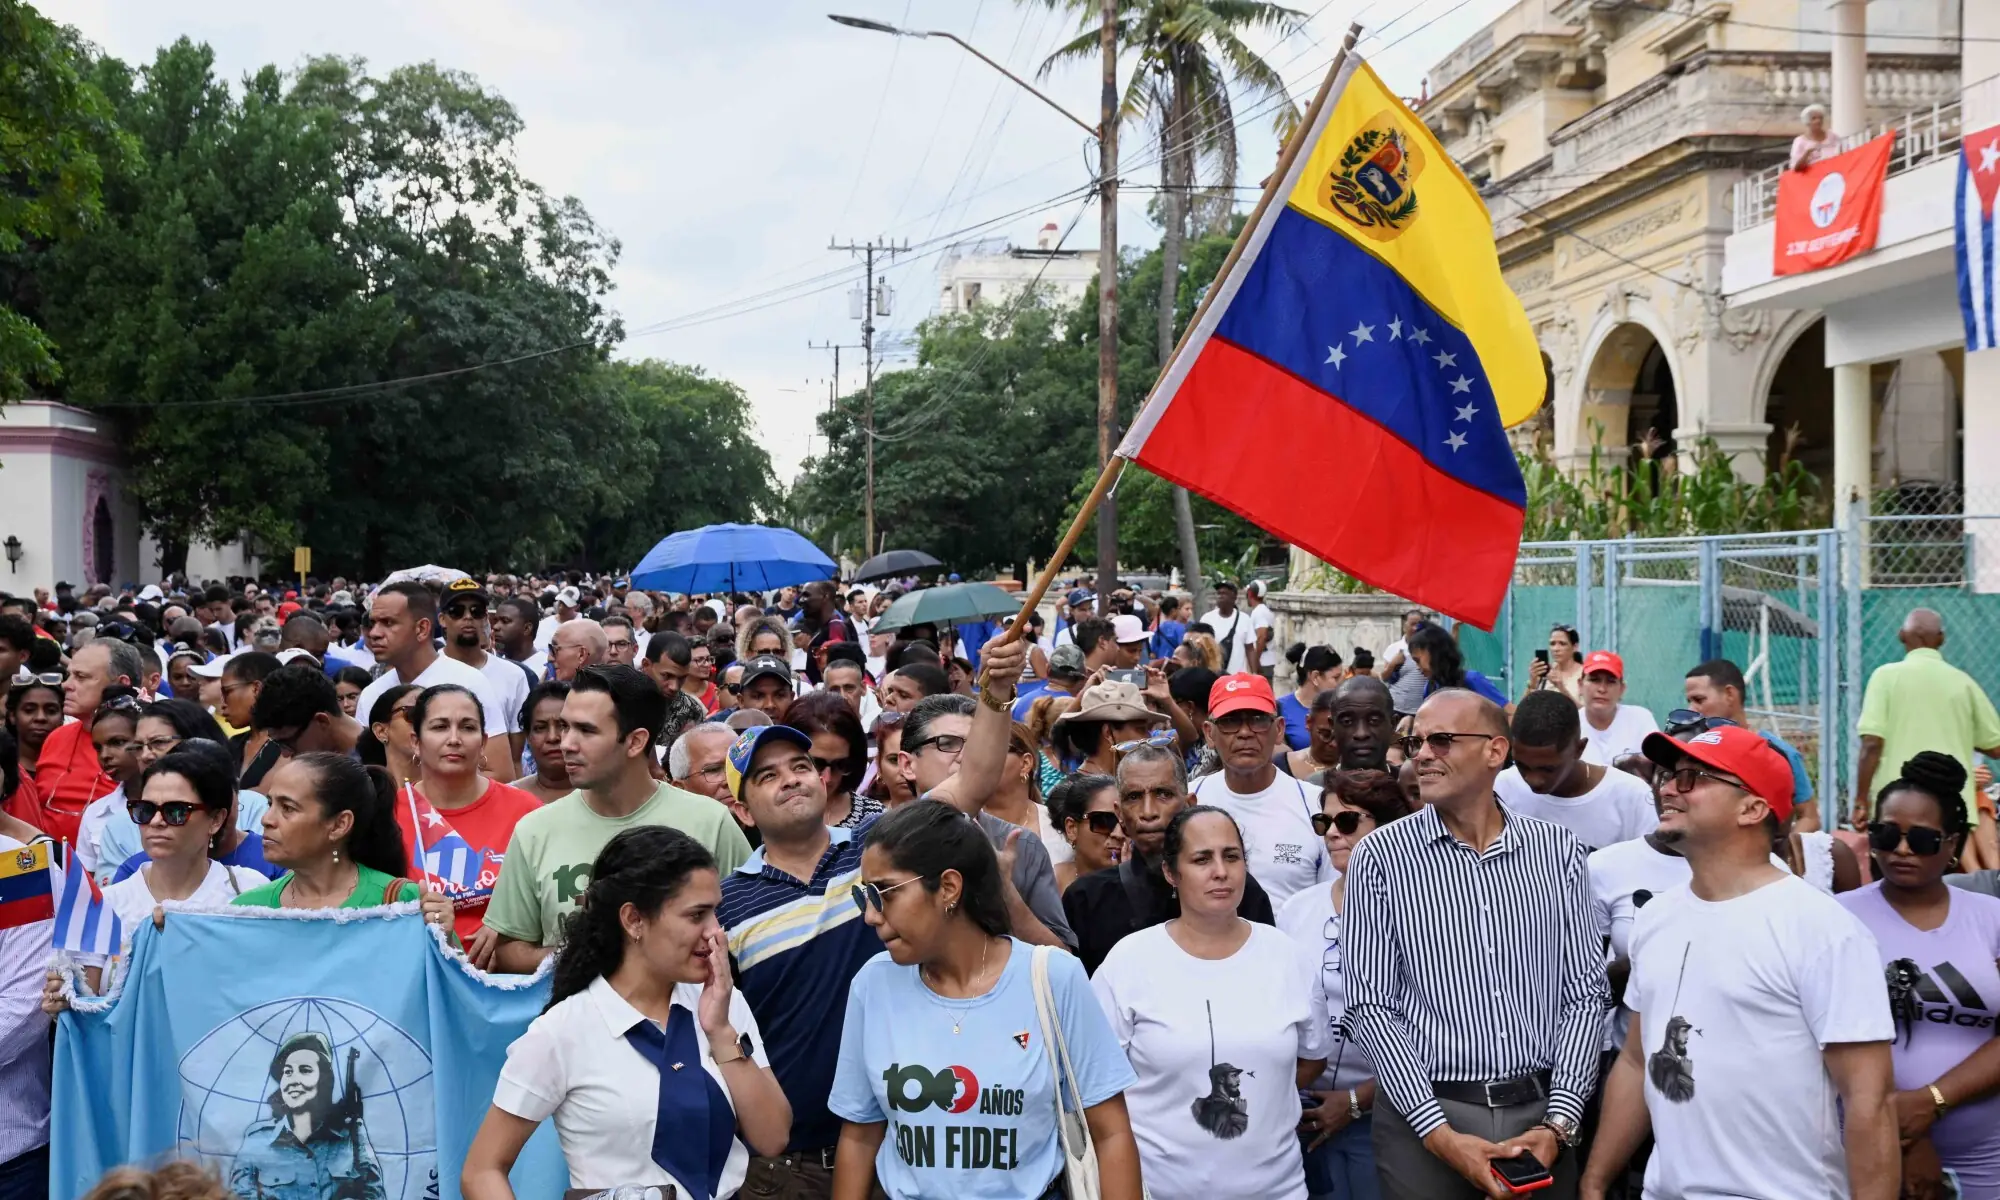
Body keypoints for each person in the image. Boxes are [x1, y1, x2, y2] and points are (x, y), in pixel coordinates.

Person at [1579, 725, 1898, 1200]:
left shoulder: (1823, 930)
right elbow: (1635, 1059)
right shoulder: (1656, 919)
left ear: (1753, 808)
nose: (1667, 786)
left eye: (1694, 777)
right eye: (1670, 774)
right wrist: (1595, 1181)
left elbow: (1870, 1103)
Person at [1343, 689, 1609, 1200]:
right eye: (1415, 741)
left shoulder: (1559, 853)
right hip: (1426, 1118)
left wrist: (1558, 1125)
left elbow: (1585, 994)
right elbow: (1369, 1005)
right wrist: (1440, 1137)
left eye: (1440, 740)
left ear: (1494, 751)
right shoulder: (1380, 856)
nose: (1421, 754)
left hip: (1541, 1112)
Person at [828, 800, 1143, 1200]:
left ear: (948, 887)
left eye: (884, 893)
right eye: (864, 896)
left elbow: (1111, 1132)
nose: (871, 915)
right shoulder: (873, 984)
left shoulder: (1051, 977)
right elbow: (859, 1137)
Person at [463, 826, 789, 1200]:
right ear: (633, 920)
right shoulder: (563, 1030)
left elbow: (773, 1136)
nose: (715, 932)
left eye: (716, 912)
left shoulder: (721, 1002)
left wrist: (719, 1032)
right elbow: (482, 1171)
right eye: (696, 915)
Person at [1094, 805, 1327, 1199]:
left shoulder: (1287, 956)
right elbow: (1099, 1086)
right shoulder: (1129, 962)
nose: (1220, 871)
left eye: (1231, 856)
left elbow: (1313, 1058)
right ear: (1171, 872)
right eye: (1202, 859)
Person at [484, 665, 752, 974]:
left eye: (586, 730)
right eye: (565, 726)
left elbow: (747, 932)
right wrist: (587, 956)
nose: (566, 743)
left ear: (636, 741)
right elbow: (508, 950)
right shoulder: (534, 830)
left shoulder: (710, 822)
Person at [1838, 751, 2000, 1199]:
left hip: (1985, 1157)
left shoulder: (1992, 920)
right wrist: (1903, 1136)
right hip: (1862, 1145)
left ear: (1952, 844)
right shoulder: (1836, 919)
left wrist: (1932, 1101)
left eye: (1924, 840)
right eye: (1886, 834)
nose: (1902, 850)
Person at [1279, 769, 1412, 1200]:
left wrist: (1357, 1101)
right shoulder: (1297, 910)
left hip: (1392, 1112)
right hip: (1303, 1113)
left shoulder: (1422, 912)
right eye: (1325, 823)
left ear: (1389, 827)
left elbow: (1438, 1030)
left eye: (1348, 821)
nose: (1333, 833)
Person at [67, 744, 267, 994]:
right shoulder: (104, 905)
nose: (157, 822)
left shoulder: (248, 891)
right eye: (145, 810)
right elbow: (87, 1009)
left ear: (215, 820)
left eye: (176, 811)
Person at [1064, 744, 1277, 974]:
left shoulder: (1231, 888)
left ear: (1189, 804)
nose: (1148, 811)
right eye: (1134, 797)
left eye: (1163, 794)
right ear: (1119, 814)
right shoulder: (1086, 899)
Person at [893, 685, 1076, 949]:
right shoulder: (879, 842)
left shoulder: (1021, 845)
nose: (967, 757)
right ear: (907, 764)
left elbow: (1062, 956)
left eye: (976, 745)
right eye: (948, 744)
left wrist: (1004, 890)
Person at [392, 685, 543, 952]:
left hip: (508, 974)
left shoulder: (525, 809)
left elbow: (547, 897)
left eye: (467, 727)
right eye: (439, 727)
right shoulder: (392, 812)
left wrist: (511, 929)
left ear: (483, 741)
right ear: (416, 741)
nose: (454, 739)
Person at [1853, 608, 2000, 872]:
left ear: (1901, 636)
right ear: (1941, 639)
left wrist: (1861, 800)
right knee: (1945, 887)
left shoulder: (1885, 676)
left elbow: (1872, 743)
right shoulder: (1963, 684)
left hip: (1895, 806)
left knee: (1889, 888)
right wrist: (1961, 733)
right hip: (1949, 806)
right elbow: (1995, 745)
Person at [1191, 674, 1329, 907]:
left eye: (1257, 720)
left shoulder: (1315, 805)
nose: (1245, 732)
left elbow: (1332, 901)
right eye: (1230, 721)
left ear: (1279, 729)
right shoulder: (1189, 800)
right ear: (1209, 733)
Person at [353, 583, 512, 778]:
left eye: (388, 623)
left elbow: (500, 773)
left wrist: (432, 796)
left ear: (422, 628)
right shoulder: (371, 694)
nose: (374, 633)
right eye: (373, 623)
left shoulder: (469, 682)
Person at [231, 752, 426, 909]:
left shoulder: (402, 902)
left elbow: (442, 958)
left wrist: (444, 936)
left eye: (288, 808)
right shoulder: (248, 910)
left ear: (339, 825)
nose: (266, 820)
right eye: (270, 804)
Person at [228, 1030, 385, 1200]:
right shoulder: (257, 1139)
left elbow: (374, 1194)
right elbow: (238, 1196)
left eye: (305, 1070)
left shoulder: (352, 1134)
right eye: (287, 1072)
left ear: (324, 1080)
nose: (293, 1080)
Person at [1495, 692, 1658, 853]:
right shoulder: (1501, 790)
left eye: (1548, 769)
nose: (1534, 780)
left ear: (1579, 749)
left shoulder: (1633, 798)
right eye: (1522, 765)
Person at [1682, 657, 1819, 832]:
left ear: (1730, 694)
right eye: (1689, 701)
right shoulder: (1689, 749)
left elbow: (1809, 816)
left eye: (1699, 700)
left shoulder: (1778, 753)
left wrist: (1780, 854)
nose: (1691, 709)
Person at [33, 639, 143, 845]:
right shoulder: (56, 737)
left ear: (121, 684)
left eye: (81, 677)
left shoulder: (147, 744)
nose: (66, 685)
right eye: (69, 675)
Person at [438, 578, 532, 764]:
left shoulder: (514, 676)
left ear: (485, 618)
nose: (468, 617)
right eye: (457, 611)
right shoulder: (427, 672)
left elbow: (515, 755)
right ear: (442, 619)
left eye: (476, 611)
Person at [784, 689, 882, 830]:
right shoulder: (769, 815)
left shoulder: (874, 820)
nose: (827, 778)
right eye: (816, 763)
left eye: (840, 764)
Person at [1051, 680, 1172, 777]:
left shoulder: (1127, 782)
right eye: (1140, 729)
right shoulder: (1075, 795)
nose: (1148, 736)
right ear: (1108, 733)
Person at [250, 665, 363, 760]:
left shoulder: (375, 764)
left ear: (321, 721)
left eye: (288, 743)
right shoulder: (318, 765)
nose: (285, 755)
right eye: (278, 744)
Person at [1575, 651, 1658, 768]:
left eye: (1611, 681)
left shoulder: (1640, 718)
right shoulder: (1570, 725)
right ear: (1580, 685)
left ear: (1622, 689)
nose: (1602, 689)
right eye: (1594, 680)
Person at [1047, 772, 1122, 892]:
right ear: (1072, 828)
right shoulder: (1048, 883)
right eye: (1103, 821)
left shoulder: (1143, 884)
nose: (1118, 833)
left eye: (1126, 823)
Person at [1404, 623, 1507, 710]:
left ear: (1435, 653)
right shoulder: (1430, 687)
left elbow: (1510, 712)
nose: (1417, 667)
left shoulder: (1472, 680)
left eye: (1417, 660)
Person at [516, 682, 573, 805]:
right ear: (528, 736)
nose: (552, 737)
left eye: (562, 726)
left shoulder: (604, 796)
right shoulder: (507, 798)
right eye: (540, 728)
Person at [1280, 645, 1342, 752]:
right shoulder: (1280, 708)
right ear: (1315, 677)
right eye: (1335, 678)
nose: (1340, 684)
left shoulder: (1342, 706)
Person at [359, 685, 423, 783]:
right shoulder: (364, 792)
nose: (425, 722)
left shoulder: (451, 787)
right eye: (414, 713)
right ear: (381, 731)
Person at [1377, 610, 1431, 719]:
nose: (1415, 628)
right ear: (1404, 626)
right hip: (1397, 707)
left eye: (1419, 624)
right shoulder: (1394, 648)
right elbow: (1384, 677)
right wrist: (1393, 664)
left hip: (1423, 707)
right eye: (1412, 624)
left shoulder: (1430, 648)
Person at [1198, 581, 1258, 675]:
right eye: (1218, 593)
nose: (1220, 596)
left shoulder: (1244, 619)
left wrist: (1254, 673)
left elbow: (1250, 649)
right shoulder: (1207, 619)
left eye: (1224, 593)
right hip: (1214, 676)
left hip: (1238, 676)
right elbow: (1200, 647)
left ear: (1234, 597)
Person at [1525, 625, 1584, 703]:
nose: (1556, 649)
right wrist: (1532, 683)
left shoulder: (1584, 673)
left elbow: (1584, 712)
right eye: (1552, 644)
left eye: (1562, 644)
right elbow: (1524, 709)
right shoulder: (1545, 672)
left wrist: (1561, 687)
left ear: (1575, 647)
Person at [738, 655, 796, 725]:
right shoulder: (727, 734)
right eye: (758, 696)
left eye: (780, 695)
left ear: (792, 699)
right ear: (741, 701)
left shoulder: (807, 734)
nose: (770, 705)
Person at [1789, 102, 1836, 170]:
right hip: (1812, 178)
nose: (1818, 121)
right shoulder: (1799, 141)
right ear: (1807, 122)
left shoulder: (1832, 136)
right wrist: (1807, 153)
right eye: (1814, 118)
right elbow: (1796, 168)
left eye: (1820, 118)